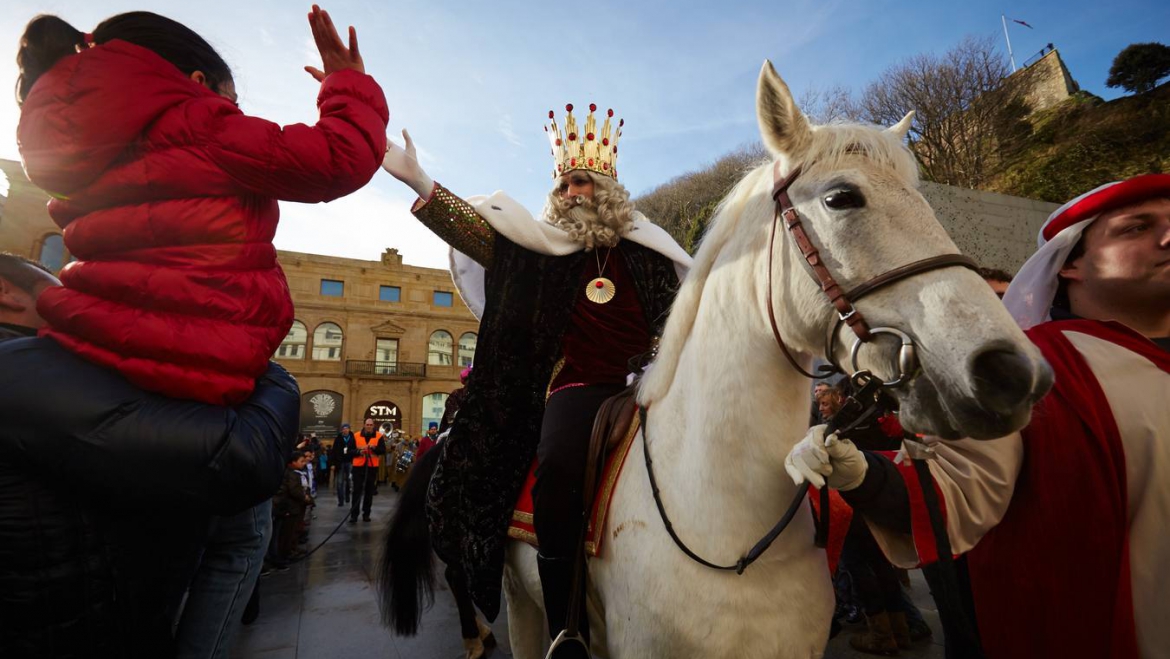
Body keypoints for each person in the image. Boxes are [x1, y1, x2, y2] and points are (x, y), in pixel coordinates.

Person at [786, 174, 1170, 658]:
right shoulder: (1033, 370)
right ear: (1069, 263)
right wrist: (862, 475)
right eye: (1136, 227)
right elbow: (958, 488)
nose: (1167, 234)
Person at [381, 103, 691, 655]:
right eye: (565, 183)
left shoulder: (651, 252)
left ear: (607, 187)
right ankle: (566, 626)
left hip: (650, 383)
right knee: (557, 465)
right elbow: (484, 236)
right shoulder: (542, 252)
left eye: (583, 181)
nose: (572, 191)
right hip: (576, 388)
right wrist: (420, 181)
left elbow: (686, 314)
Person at [15, 6, 388, 407]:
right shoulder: (201, 123)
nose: (236, 111)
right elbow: (337, 158)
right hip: (199, 356)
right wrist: (347, 83)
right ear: (198, 81)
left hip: (97, 340)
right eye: (233, 100)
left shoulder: (80, 157)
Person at [0, 252, 299, 657]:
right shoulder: (22, 367)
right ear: (7, 293)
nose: (73, 300)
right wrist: (267, 370)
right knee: (244, 536)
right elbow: (241, 457)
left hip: (93, 606)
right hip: (77, 628)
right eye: (58, 287)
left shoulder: (36, 365)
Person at [350, 418, 386, 523]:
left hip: (371, 467)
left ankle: (366, 514)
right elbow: (350, 451)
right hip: (358, 467)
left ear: (373, 425)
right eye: (367, 424)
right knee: (356, 491)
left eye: (371, 425)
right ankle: (354, 515)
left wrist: (374, 448)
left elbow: (382, 450)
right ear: (364, 425)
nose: (369, 426)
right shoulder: (356, 435)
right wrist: (359, 452)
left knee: (369, 492)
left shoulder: (379, 436)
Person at [440, 365, 473, 432]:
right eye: (468, 380)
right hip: (456, 429)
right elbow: (451, 414)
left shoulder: (479, 395)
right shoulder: (457, 393)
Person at [331, 423, 355, 507]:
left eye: (347, 428)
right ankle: (340, 500)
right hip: (340, 462)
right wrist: (333, 463)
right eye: (344, 428)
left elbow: (355, 449)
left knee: (349, 481)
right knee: (339, 482)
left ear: (349, 429)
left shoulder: (353, 438)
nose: (345, 430)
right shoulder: (338, 438)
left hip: (349, 462)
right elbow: (333, 451)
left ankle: (347, 496)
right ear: (342, 430)